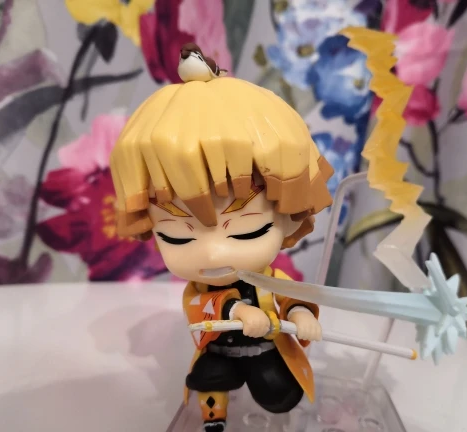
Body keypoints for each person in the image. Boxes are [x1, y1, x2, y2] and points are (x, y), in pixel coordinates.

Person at [109, 44, 334, 432]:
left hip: (266, 349)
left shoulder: (269, 280)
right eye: (177, 238)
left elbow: (290, 295)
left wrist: (300, 315)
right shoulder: (199, 290)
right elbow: (199, 307)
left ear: (289, 216)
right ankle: (215, 419)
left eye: (248, 230)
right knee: (210, 380)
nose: (213, 253)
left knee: (280, 393)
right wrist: (236, 312)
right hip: (218, 349)